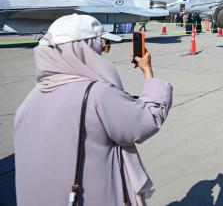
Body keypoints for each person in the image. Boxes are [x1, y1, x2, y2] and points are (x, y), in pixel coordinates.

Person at [14, 13, 173, 205]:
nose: (102, 53)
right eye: (101, 47)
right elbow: (146, 121)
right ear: (84, 50)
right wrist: (148, 73)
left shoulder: (30, 100)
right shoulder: (98, 94)